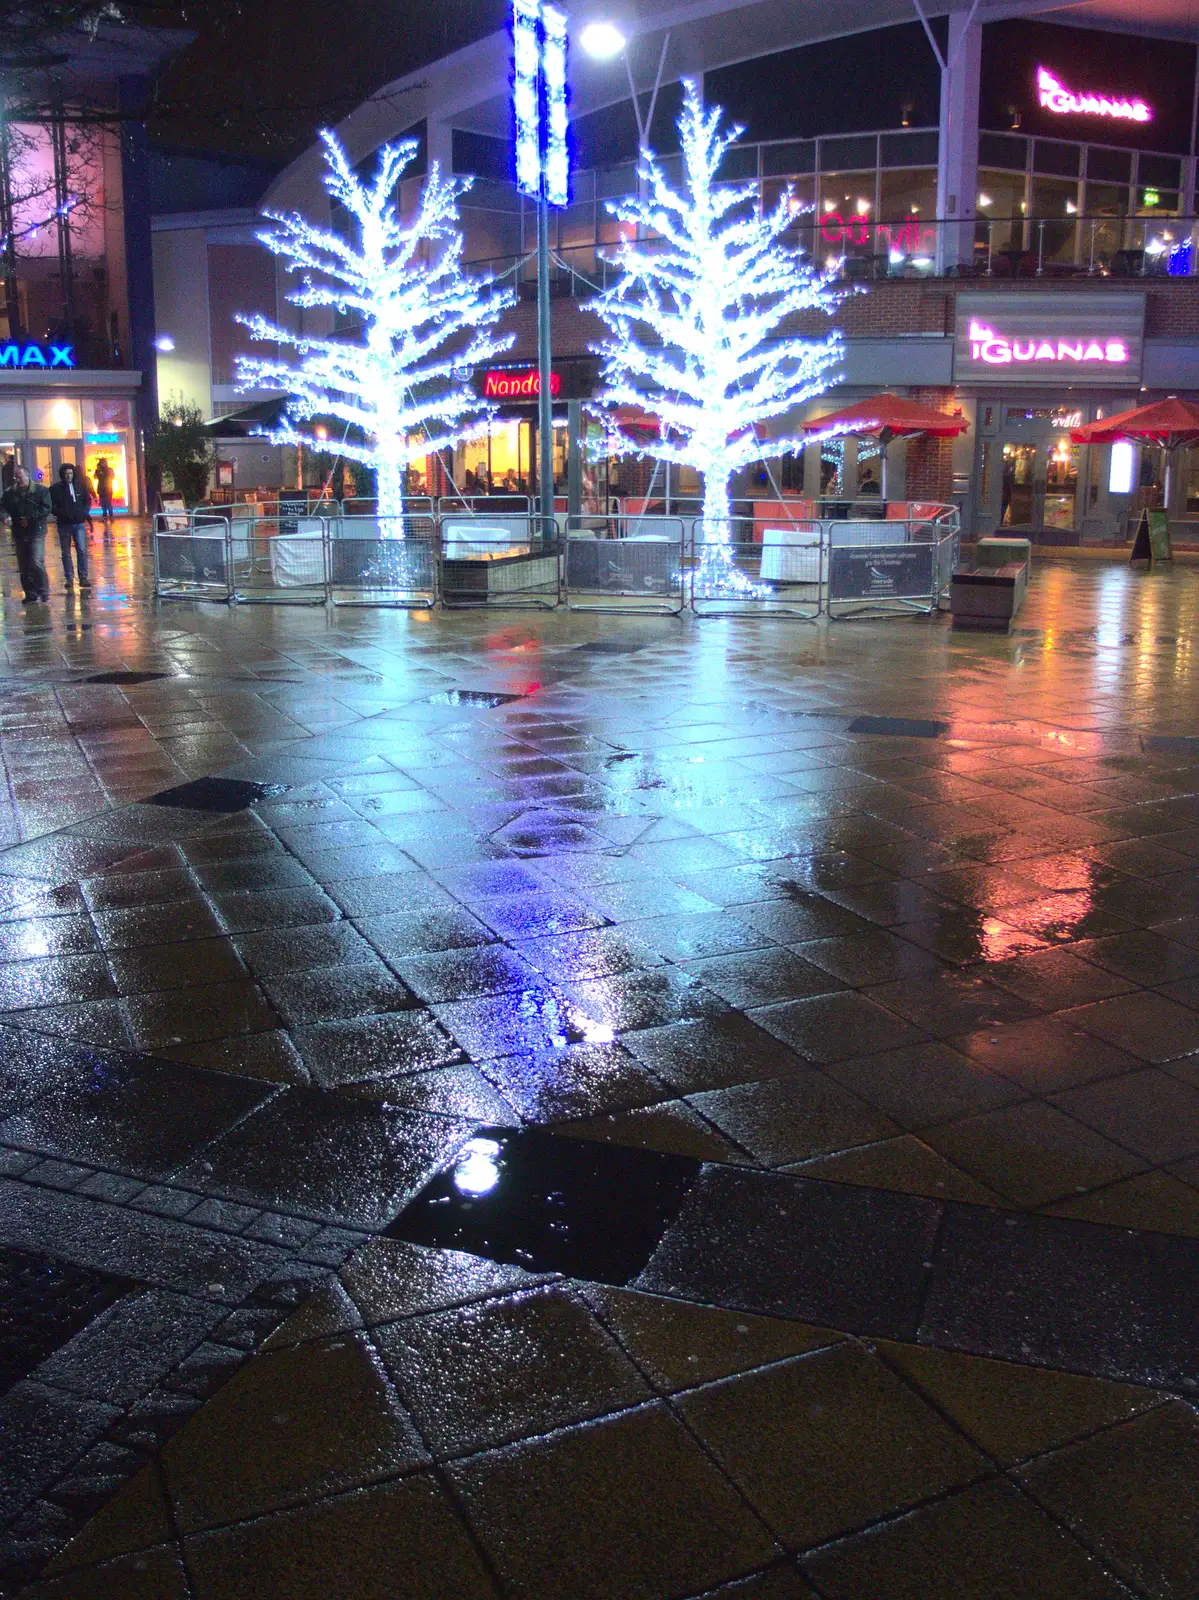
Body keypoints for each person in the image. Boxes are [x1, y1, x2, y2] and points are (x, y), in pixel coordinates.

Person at [2, 465, 52, 602]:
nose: (17, 479)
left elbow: (47, 508)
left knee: (36, 561)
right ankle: (30, 593)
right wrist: (6, 517)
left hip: (37, 530)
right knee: (23, 564)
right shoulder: (10, 493)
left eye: (20, 476)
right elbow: (3, 508)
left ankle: (43, 590)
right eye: (16, 477)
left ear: (28, 476)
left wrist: (30, 518)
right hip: (19, 532)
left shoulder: (41, 491)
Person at [50, 463, 93, 590]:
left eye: (70, 473)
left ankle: (83, 577)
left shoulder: (80, 486)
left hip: (79, 523)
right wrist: (61, 514)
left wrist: (84, 513)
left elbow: (87, 500)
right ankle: (69, 577)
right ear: (62, 475)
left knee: (81, 550)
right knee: (66, 552)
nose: (69, 476)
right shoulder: (55, 489)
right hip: (64, 524)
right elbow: (52, 506)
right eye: (66, 474)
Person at [93, 457, 115, 533]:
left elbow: (112, 477)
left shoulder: (109, 469)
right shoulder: (98, 469)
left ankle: (111, 517)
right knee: (103, 503)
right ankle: (105, 516)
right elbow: (95, 477)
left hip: (108, 489)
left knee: (108, 503)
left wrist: (104, 474)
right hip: (101, 489)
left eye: (102, 462)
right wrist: (98, 471)